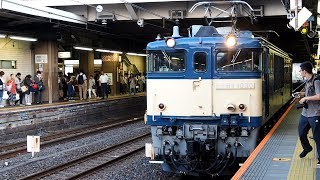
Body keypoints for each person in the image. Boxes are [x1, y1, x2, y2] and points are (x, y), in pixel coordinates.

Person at [295, 61, 320, 165]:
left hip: (315, 113)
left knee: (318, 137)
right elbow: (308, 93)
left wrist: (305, 97)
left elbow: (319, 96)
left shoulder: (316, 81)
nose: (300, 72)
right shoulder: (307, 81)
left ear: (305, 71)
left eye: (301, 70)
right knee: (301, 133)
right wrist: (300, 94)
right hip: (305, 113)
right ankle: (307, 148)